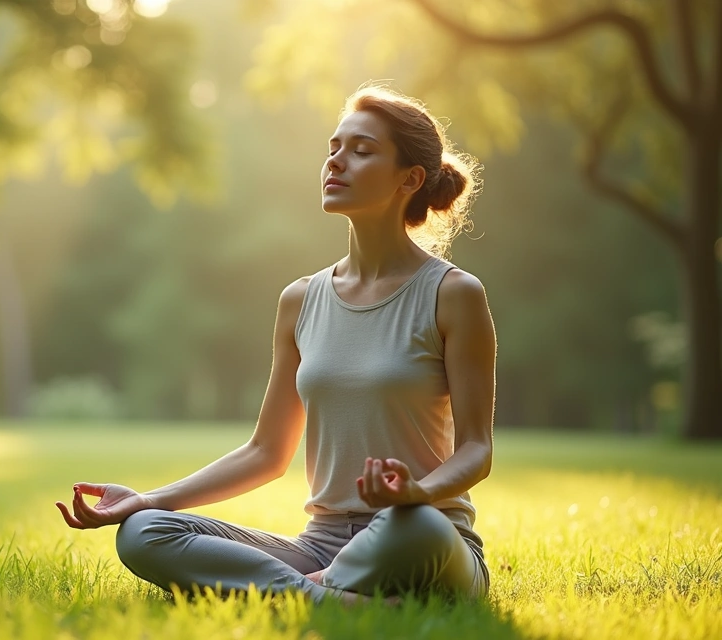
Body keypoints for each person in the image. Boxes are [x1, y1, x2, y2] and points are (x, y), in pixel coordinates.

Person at [54, 84, 496, 605]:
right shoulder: (301, 299)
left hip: (420, 536)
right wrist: (148, 499)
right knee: (144, 532)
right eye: (334, 147)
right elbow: (266, 452)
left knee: (417, 527)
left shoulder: (453, 294)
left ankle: (297, 595)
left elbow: (476, 449)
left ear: (411, 179)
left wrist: (417, 493)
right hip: (322, 545)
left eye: (361, 150)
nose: (336, 161)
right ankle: (327, 599)